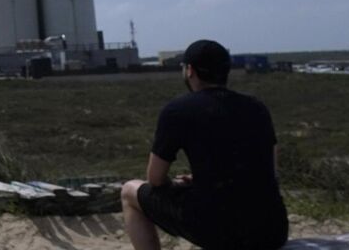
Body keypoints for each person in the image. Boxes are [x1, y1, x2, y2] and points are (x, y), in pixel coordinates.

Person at [122, 39, 288, 250]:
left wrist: (182, 185)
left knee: (129, 191)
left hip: (220, 231)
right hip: (272, 229)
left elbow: (155, 179)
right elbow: (269, 171)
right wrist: (204, 179)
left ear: (190, 70)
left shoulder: (177, 111)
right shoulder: (257, 107)